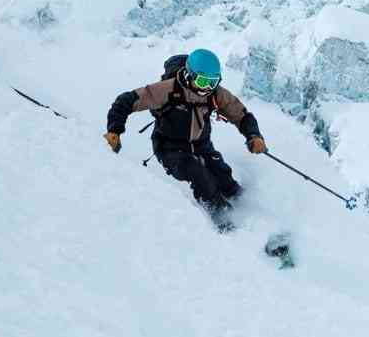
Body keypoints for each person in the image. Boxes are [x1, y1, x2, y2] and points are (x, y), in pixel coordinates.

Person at [104, 49, 266, 227]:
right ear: (189, 75)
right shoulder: (168, 89)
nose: (207, 88)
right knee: (200, 176)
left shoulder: (215, 93)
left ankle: (249, 209)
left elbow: (241, 115)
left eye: (213, 82)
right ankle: (225, 221)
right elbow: (126, 101)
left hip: (202, 145)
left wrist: (254, 135)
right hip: (169, 148)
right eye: (202, 81)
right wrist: (114, 130)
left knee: (222, 175)